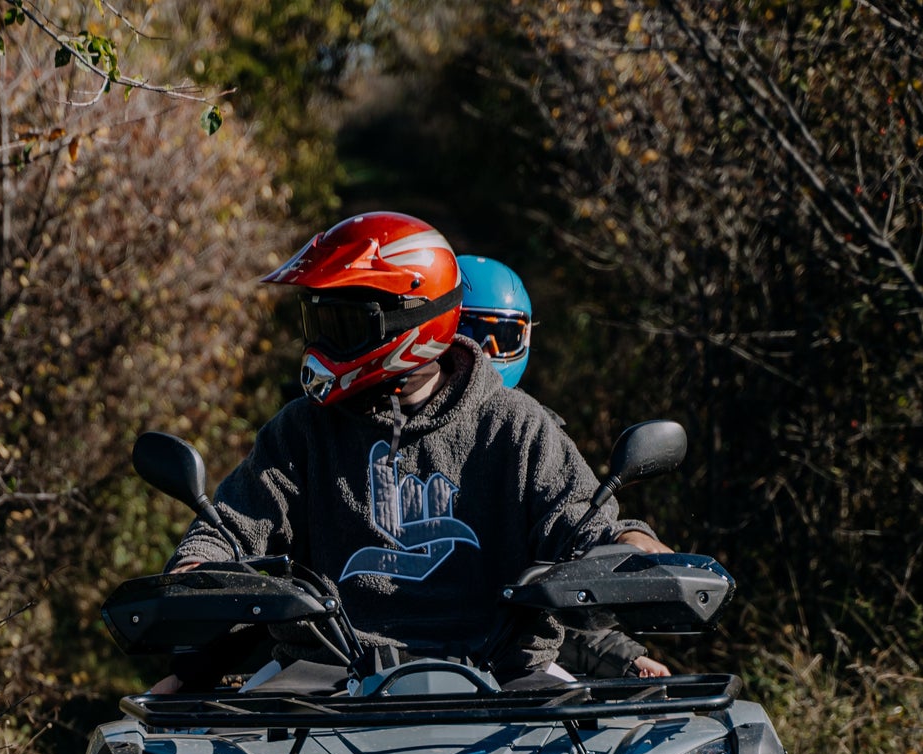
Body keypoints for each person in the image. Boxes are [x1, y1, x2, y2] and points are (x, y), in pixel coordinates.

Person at [160, 212, 662, 687]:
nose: (322, 344)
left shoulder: (515, 425)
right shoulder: (302, 430)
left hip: (503, 679)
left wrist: (628, 545)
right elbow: (237, 521)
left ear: (412, 320)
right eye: (318, 323)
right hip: (324, 681)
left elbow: (576, 521)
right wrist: (199, 567)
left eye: (343, 325)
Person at [456, 254, 673, 680]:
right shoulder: (363, 431)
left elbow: (567, 564)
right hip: (375, 666)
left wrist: (617, 654)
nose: (488, 354)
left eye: (504, 336)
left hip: (503, 667)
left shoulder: (535, 436)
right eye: (471, 334)